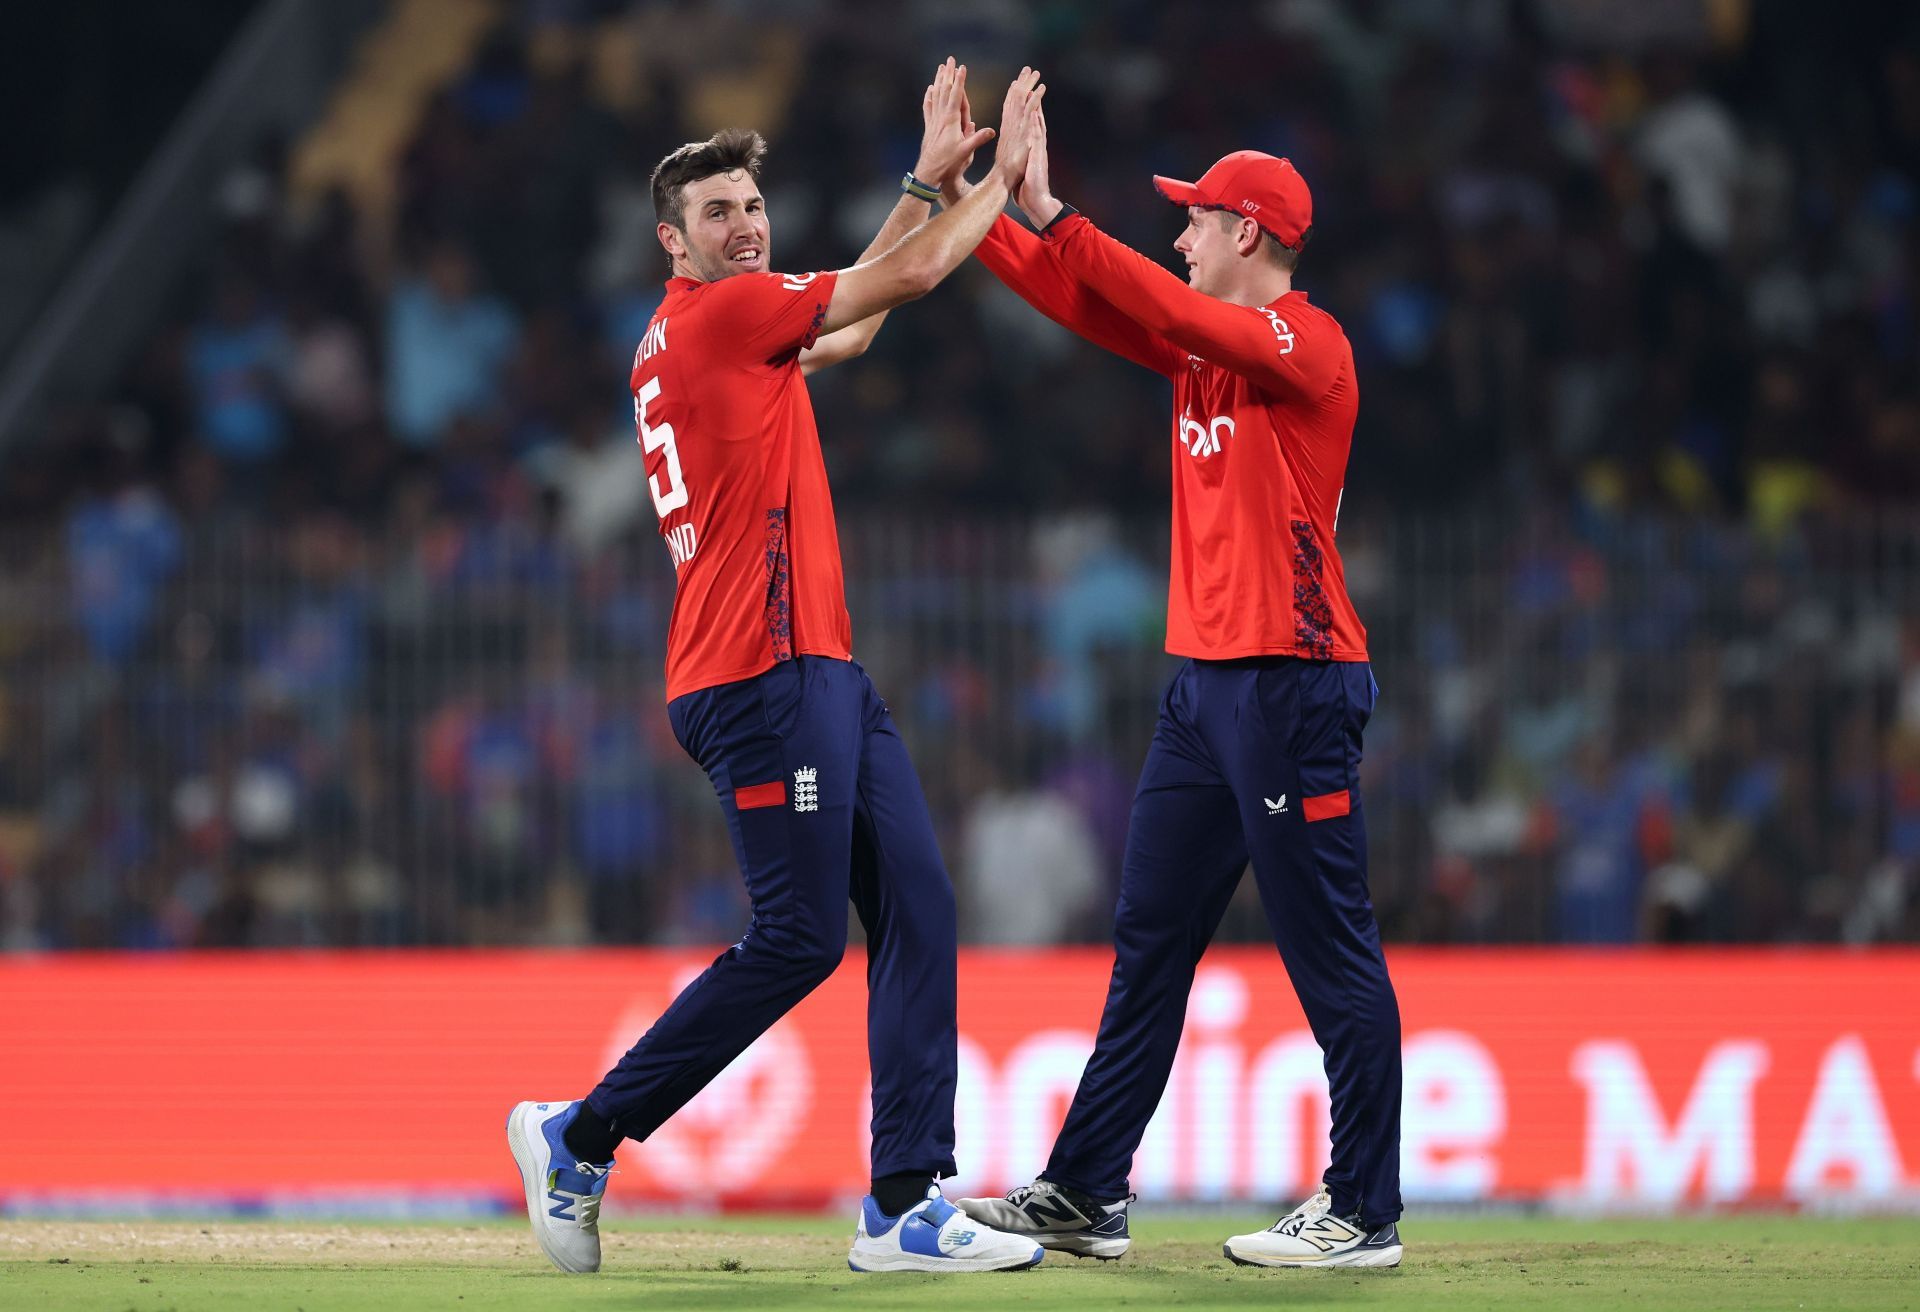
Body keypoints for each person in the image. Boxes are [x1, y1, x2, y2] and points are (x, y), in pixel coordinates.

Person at [507, 62, 1052, 1275]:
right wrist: (1004, 182)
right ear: (672, 240)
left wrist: (921, 182)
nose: (745, 225)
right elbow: (902, 280)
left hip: (819, 669)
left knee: (919, 907)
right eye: (718, 213)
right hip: (759, 671)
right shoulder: (719, 317)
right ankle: (581, 1133)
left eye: (754, 206)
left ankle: (905, 1204)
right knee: (802, 937)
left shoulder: (710, 330)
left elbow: (853, 322)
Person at [945, 103, 1406, 1268]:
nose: (1181, 235)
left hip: (1294, 684)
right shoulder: (1203, 342)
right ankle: (1088, 1188)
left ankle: (1364, 1208)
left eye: (1194, 218)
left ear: (1247, 233)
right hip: (1205, 693)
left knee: (1329, 948)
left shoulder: (1309, 345)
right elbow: (1083, 300)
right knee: (1149, 941)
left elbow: (1145, 298)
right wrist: (967, 201)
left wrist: (1051, 206)